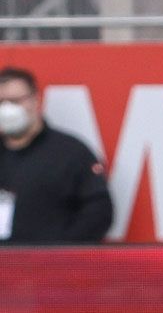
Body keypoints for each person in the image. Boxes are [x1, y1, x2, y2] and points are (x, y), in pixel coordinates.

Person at [0, 67, 112, 243]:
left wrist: (61, 252)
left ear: (35, 99)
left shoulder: (70, 153)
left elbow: (98, 212)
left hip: (51, 264)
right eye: (1, 102)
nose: (7, 109)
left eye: (15, 101)